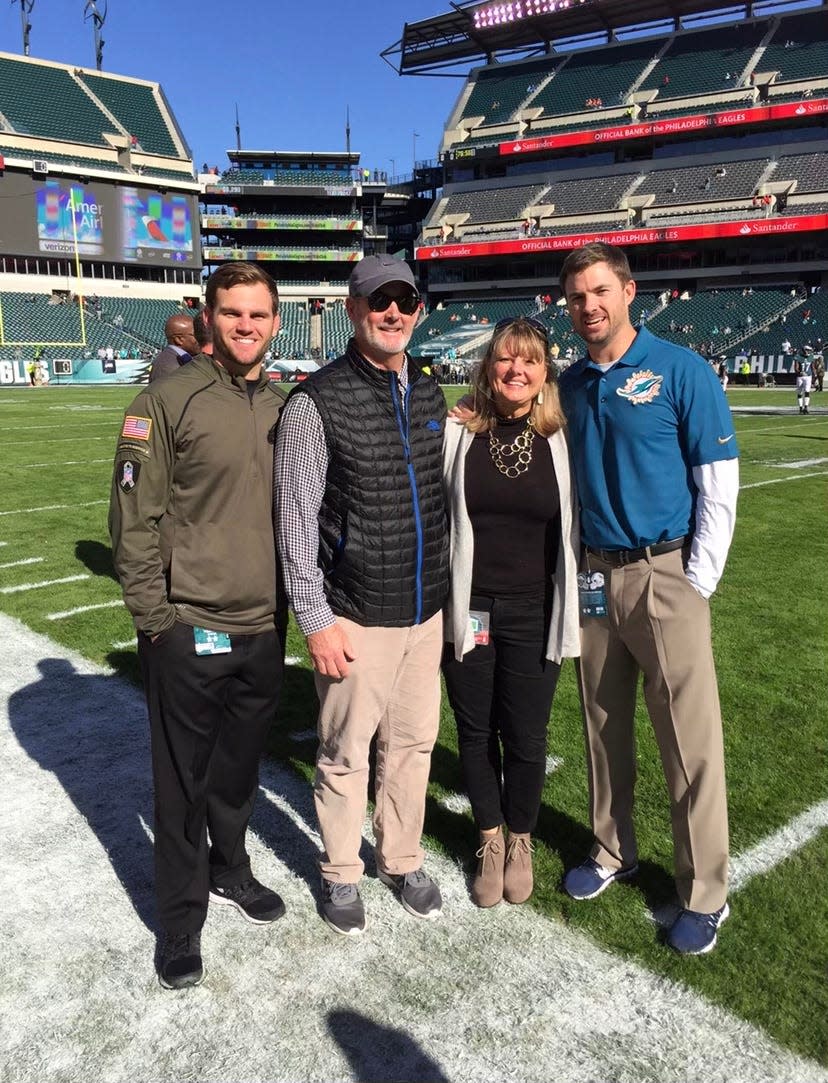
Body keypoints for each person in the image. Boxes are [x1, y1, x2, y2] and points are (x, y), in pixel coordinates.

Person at [109, 263, 289, 990]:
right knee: (181, 783)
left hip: (262, 629)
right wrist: (156, 620)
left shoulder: (284, 405)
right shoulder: (164, 400)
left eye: (259, 314)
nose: (247, 325)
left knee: (238, 773)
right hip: (188, 626)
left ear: (277, 322)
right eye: (234, 312)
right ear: (208, 317)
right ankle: (180, 921)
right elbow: (133, 517)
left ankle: (231, 869)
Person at [557, 242, 739, 956]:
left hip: (665, 572)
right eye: (576, 297)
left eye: (600, 290)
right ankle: (612, 849)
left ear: (629, 291)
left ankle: (704, 893)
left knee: (688, 741)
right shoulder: (569, 384)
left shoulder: (679, 369)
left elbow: (717, 481)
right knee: (603, 722)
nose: (589, 306)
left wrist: (696, 579)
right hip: (594, 575)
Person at [274, 254, 448, 936]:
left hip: (422, 610)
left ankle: (400, 857)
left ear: (418, 310)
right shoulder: (316, 400)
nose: (393, 312)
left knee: (412, 745)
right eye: (379, 301)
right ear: (352, 309)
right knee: (346, 753)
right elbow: (294, 518)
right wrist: (316, 620)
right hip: (354, 613)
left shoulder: (430, 392)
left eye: (404, 300)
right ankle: (342, 871)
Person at [442, 317, 580, 908]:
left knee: (526, 734)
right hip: (470, 605)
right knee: (475, 731)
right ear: (488, 365)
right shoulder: (458, 431)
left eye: (528, 361)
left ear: (544, 372)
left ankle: (520, 840)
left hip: (534, 607)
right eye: (505, 359)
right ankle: (489, 840)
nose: (515, 371)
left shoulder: (560, 437)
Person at [148, 313, 199, 383]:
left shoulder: (177, 359)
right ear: (179, 339)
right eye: (196, 334)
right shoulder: (167, 366)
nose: (200, 338)